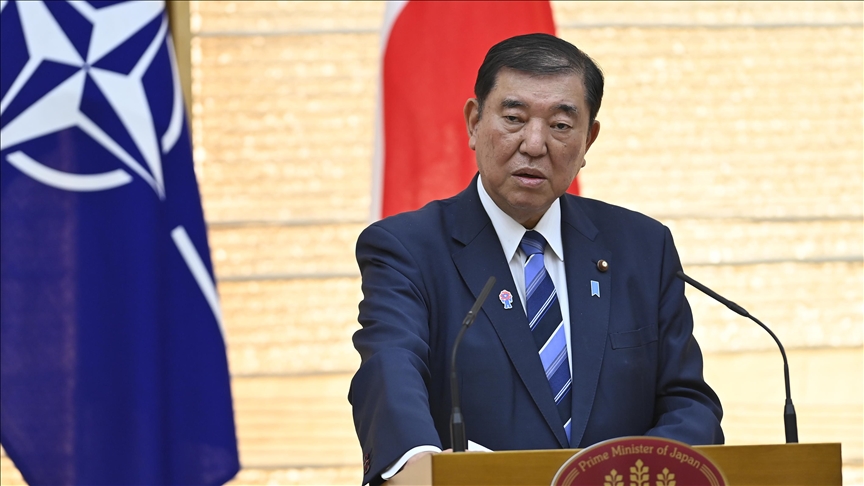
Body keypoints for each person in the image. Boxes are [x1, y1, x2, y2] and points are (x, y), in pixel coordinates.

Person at [349, 33, 723, 486]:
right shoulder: (408, 249)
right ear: (473, 122)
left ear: (588, 140)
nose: (534, 143)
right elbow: (390, 367)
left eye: (561, 126)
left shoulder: (642, 246)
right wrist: (423, 469)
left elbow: (688, 403)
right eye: (514, 118)